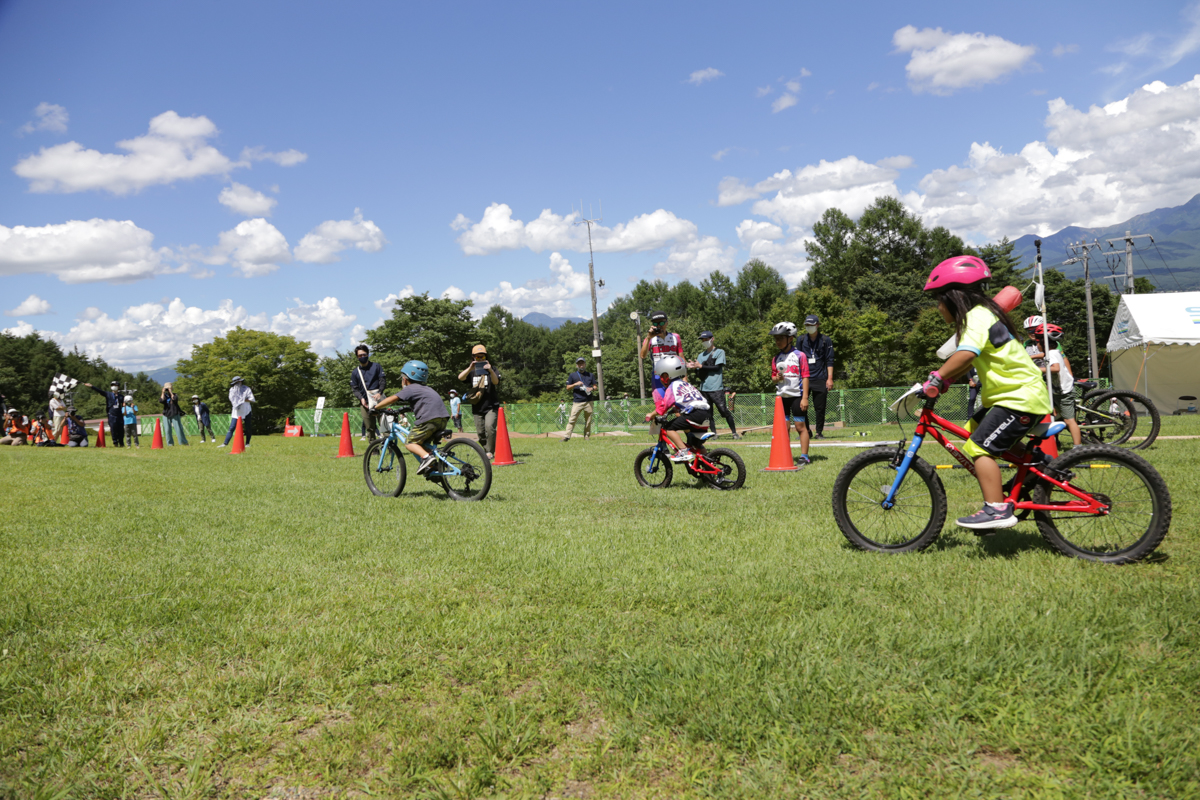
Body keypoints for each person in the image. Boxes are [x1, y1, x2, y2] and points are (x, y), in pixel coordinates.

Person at [921, 255, 1052, 531]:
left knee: (979, 445)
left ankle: (997, 510)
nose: (938, 308)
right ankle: (1036, 465)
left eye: (938, 301)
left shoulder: (975, 317)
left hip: (1019, 398)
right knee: (972, 432)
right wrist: (947, 380)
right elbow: (969, 359)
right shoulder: (982, 315)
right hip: (1013, 397)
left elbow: (967, 353)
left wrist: (938, 375)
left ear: (953, 298)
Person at [374, 360, 450, 475]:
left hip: (428, 420)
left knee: (410, 442)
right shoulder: (427, 389)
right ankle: (433, 467)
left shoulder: (411, 388)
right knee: (423, 442)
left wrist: (376, 407)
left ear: (405, 378)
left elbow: (392, 399)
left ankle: (426, 458)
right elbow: (426, 403)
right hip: (443, 419)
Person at [644, 354, 712, 462]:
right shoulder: (686, 384)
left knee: (668, 428)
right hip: (706, 414)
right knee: (696, 443)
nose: (661, 380)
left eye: (661, 376)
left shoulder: (672, 387)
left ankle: (683, 451)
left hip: (694, 414)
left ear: (666, 376)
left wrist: (651, 415)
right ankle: (708, 464)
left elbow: (663, 407)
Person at [770, 321, 812, 465]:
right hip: (782, 398)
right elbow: (773, 378)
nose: (777, 341)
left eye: (780, 338)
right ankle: (784, 454)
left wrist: (805, 397)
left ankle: (804, 456)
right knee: (784, 428)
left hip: (797, 396)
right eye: (776, 339)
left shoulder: (800, 356)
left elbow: (806, 376)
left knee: (800, 427)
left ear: (790, 338)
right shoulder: (776, 358)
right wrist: (777, 378)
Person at [1034, 323, 1083, 446]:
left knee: (1069, 420)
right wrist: (1030, 357)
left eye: (1037, 342)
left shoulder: (1052, 354)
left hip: (1063, 392)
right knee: (1056, 415)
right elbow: (1045, 355)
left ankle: (1078, 447)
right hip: (1058, 390)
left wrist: (1036, 369)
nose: (1036, 345)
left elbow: (1056, 368)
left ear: (1044, 343)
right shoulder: (1053, 352)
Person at [690, 331, 739, 439]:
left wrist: (701, 366)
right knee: (708, 413)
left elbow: (717, 368)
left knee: (723, 410)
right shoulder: (700, 355)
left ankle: (734, 433)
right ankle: (714, 433)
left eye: (706, 339)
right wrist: (694, 368)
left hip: (716, 388)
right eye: (702, 340)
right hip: (704, 389)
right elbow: (699, 374)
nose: (704, 342)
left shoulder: (719, 352)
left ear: (712, 339)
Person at [458, 344, 501, 459]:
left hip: (491, 405)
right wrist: (470, 368)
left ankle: (490, 452)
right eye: (477, 357)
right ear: (473, 358)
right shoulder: (472, 372)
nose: (480, 359)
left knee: (490, 428)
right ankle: (486, 450)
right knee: (480, 432)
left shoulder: (493, 369)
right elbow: (460, 378)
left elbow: (496, 382)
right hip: (477, 407)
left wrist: (490, 370)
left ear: (486, 357)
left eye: (482, 357)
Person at [797, 315, 835, 439]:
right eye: (807, 325)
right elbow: (796, 359)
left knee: (820, 408)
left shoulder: (825, 340)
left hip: (820, 378)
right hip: (805, 378)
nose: (809, 327)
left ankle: (819, 432)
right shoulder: (801, 340)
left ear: (817, 325)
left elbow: (830, 360)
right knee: (802, 407)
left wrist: (829, 378)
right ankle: (806, 431)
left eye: (811, 325)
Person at [639, 310, 683, 391]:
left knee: (675, 401)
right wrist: (649, 338)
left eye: (661, 323)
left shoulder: (675, 337)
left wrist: (685, 377)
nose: (659, 325)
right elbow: (642, 356)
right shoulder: (649, 339)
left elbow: (681, 357)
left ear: (667, 323)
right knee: (660, 402)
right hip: (658, 374)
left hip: (675, 374)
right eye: (656, 323)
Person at [350, 344, 386, 443]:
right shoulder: (355, 372)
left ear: (368, 354)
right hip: (365, 402)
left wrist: (380, 392)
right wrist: (361, 398)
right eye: (360, 355)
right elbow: (354, 388)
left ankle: (389, 447)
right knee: (369, 427)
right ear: (357, 357)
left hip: (379, 400)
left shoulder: (376, 366)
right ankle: (373, 449)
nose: (362, 357)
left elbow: (382, 380)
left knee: (384, 424)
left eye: (364, 354)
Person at [563, 356, 597, 441]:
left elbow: (595, 386)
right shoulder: (572, 375)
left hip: (588, 401)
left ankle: (586, 436)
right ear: (577, 365)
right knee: (572, 419)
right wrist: (575, 384)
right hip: (577, 402)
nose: (581, 365)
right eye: (579, 363)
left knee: (588, 420)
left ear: (585, 364)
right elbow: (567, 388)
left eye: (582, 363)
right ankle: (567, 436)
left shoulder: (590, 375)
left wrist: (591, 388)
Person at [85, 380, 125, 447]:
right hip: (112, 415)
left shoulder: (121, 396)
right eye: (112, 385)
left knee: (121, 430)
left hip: (119, 415)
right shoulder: (108, 394)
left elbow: (124, 404)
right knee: (113, 429)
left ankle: (121, 443)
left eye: (115, 385)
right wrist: (92, 386)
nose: (114, 387)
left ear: (118, 387)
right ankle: (115, 443)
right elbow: (100, 391)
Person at [221, 376, 255, 447]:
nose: (238, 384)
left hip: (246, 410)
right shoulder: (232, 390)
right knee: (232, 427)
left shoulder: (246, 389)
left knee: (248, 427)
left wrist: (243, 400)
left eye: (238, 382)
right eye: (236, 383)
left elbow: (251, 399)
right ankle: (225, 443)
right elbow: (232, 399)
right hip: (236, 411)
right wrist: (238, 402)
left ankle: (247, 443)